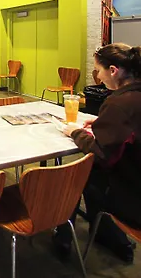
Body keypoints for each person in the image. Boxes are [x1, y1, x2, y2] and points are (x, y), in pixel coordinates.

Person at [54, 43, 141, 262]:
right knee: (91, 176)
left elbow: (101, 153)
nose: (98, 77)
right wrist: (104, 122)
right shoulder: (132, 98)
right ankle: (110, 237)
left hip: (131, 197)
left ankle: (63, 238)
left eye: (99, 70)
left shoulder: (118, 103)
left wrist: (75, 132)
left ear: (113, 70)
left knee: (77, 175)